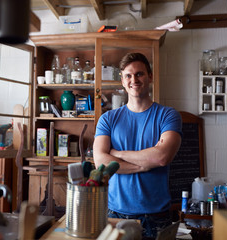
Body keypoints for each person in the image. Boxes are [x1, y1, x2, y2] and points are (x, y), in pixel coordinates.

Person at [93, 52, 182, 239]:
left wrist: (117, 154)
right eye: (128, 75)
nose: (134, 79)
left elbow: (161, 157)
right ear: (123, 81)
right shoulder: (107, 119)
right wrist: (145, 163)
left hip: (156, 216)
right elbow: (100, 162)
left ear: (150, 76)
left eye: (139, 74)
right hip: (115, 214)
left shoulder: (168, 115)